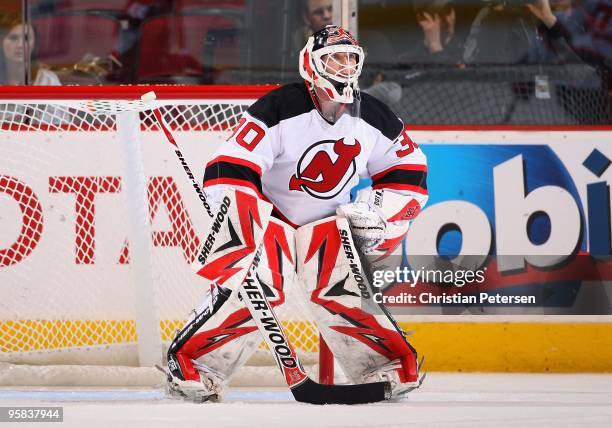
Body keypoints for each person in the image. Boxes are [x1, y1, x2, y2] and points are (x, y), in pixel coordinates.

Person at [163, 25, 428, 403]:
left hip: (329, 222)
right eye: (334, 58)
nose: (344, 66)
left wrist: (380, 212)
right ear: (311, 63)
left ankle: (383, 363)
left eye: (351, 58)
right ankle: (195, 364)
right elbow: (232, 163)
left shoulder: (372, 114)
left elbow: (410, 171)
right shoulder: (279, 107)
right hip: (272, 219)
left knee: (343, 290)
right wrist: (242, 214)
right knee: (257, 288)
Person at [0, 14, 60, 85]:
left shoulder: (47, 79)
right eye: (13, 38)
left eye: (26, 38)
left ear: (35, 44)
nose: (20, 45)